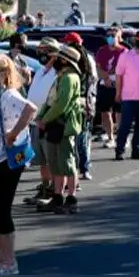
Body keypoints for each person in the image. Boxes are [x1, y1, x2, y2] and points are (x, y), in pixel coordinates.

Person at [0, 53, 39, 275]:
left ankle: (9, 262)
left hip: (6, 160)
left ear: (4, 73)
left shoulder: (9, 94)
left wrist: (13, 133)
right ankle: (1, 257)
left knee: (1, 209)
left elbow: (31, 109)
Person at [35, 45, 84, 213]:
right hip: (54, 123)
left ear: (64, 60)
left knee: (67, 162)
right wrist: (41, 116)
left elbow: (62, 103)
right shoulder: (62, 76)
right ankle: (57, 196)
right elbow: (50, 100)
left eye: (57, 58)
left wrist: (45, 119)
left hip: (63, 124)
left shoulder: (69, 78)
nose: (53, 60)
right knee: (55, 162)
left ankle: (71, 198)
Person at [23, 38, 61, 206]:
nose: (41, 54)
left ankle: (54, 191)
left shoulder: (58, 73)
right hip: (35, 122)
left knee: (52, 159)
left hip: (49, 122)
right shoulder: (40, 71)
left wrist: (45, 118)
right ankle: (45, 188)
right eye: (39, 50)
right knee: (41, 160)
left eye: (44, 50)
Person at [64, 32, 97, 181]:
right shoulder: (88, 59)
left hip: (77, 103)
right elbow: (94, 81)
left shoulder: (71, 61)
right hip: (86, 103)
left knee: (76, 138)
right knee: (83, 138)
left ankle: (78, 168)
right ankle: (84, 168)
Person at [94, 25, 126, 148]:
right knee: (105, 112)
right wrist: (106, 77)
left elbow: (122, 68)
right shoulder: (101, 50)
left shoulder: (123, 52)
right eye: (108, 35)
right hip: (104, 84)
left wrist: (112, 78)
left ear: (119, 37)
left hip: (118, 85)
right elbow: (98, 67)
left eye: (113, 35)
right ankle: (110, 137)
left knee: (119, 112)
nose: (110, 38)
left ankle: (121, 137)